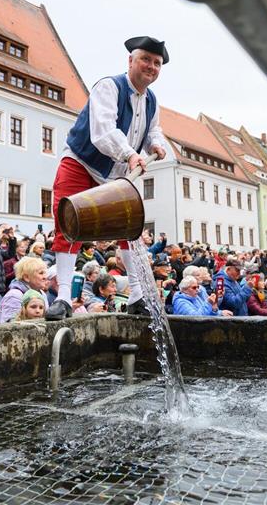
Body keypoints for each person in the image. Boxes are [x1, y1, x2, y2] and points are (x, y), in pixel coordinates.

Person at [47, 36, 170, 321]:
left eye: (157, 63)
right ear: (130, 61)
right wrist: (130, 155)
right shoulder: (108, 87)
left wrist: (156, 144)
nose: (151, 66)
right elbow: (103, 131)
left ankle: (138, 295)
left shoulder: (152, 100)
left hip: (116, 175)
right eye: (146, 60)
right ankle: (64, 297)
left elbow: (153, 130)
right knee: (67, 226)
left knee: (130, 228)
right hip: (81, 162)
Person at [0, 257, 50, 323]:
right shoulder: (14, 296)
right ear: (26, 277)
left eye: (45, 273)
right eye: (41, 273)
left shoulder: (42, 293)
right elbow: (8, 326)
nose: (45, 277)